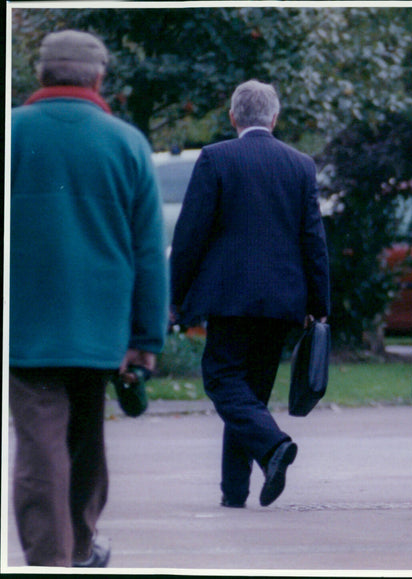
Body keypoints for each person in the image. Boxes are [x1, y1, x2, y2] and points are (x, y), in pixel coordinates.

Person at [9, 30, 168, 567]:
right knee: (83, 439)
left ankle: (51, 557)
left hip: (23, 325)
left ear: (41, 75)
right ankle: (77, 546)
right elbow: (149, 253)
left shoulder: (10, 134)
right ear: (99, 78)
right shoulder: (125, 143)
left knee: (38, 444)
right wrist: (146, 339)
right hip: (101, 329)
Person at [170, 80, 330, 509]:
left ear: (233, 117)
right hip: (283, 300)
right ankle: (234, 491)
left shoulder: (216, 158)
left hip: (229, 296)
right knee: (250, 395)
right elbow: (313, 239)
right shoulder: (300, 165)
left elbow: (190, 235)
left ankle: (273, 446)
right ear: (274, 118)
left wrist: (175, 297)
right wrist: (319, 304)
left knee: (223, 381)